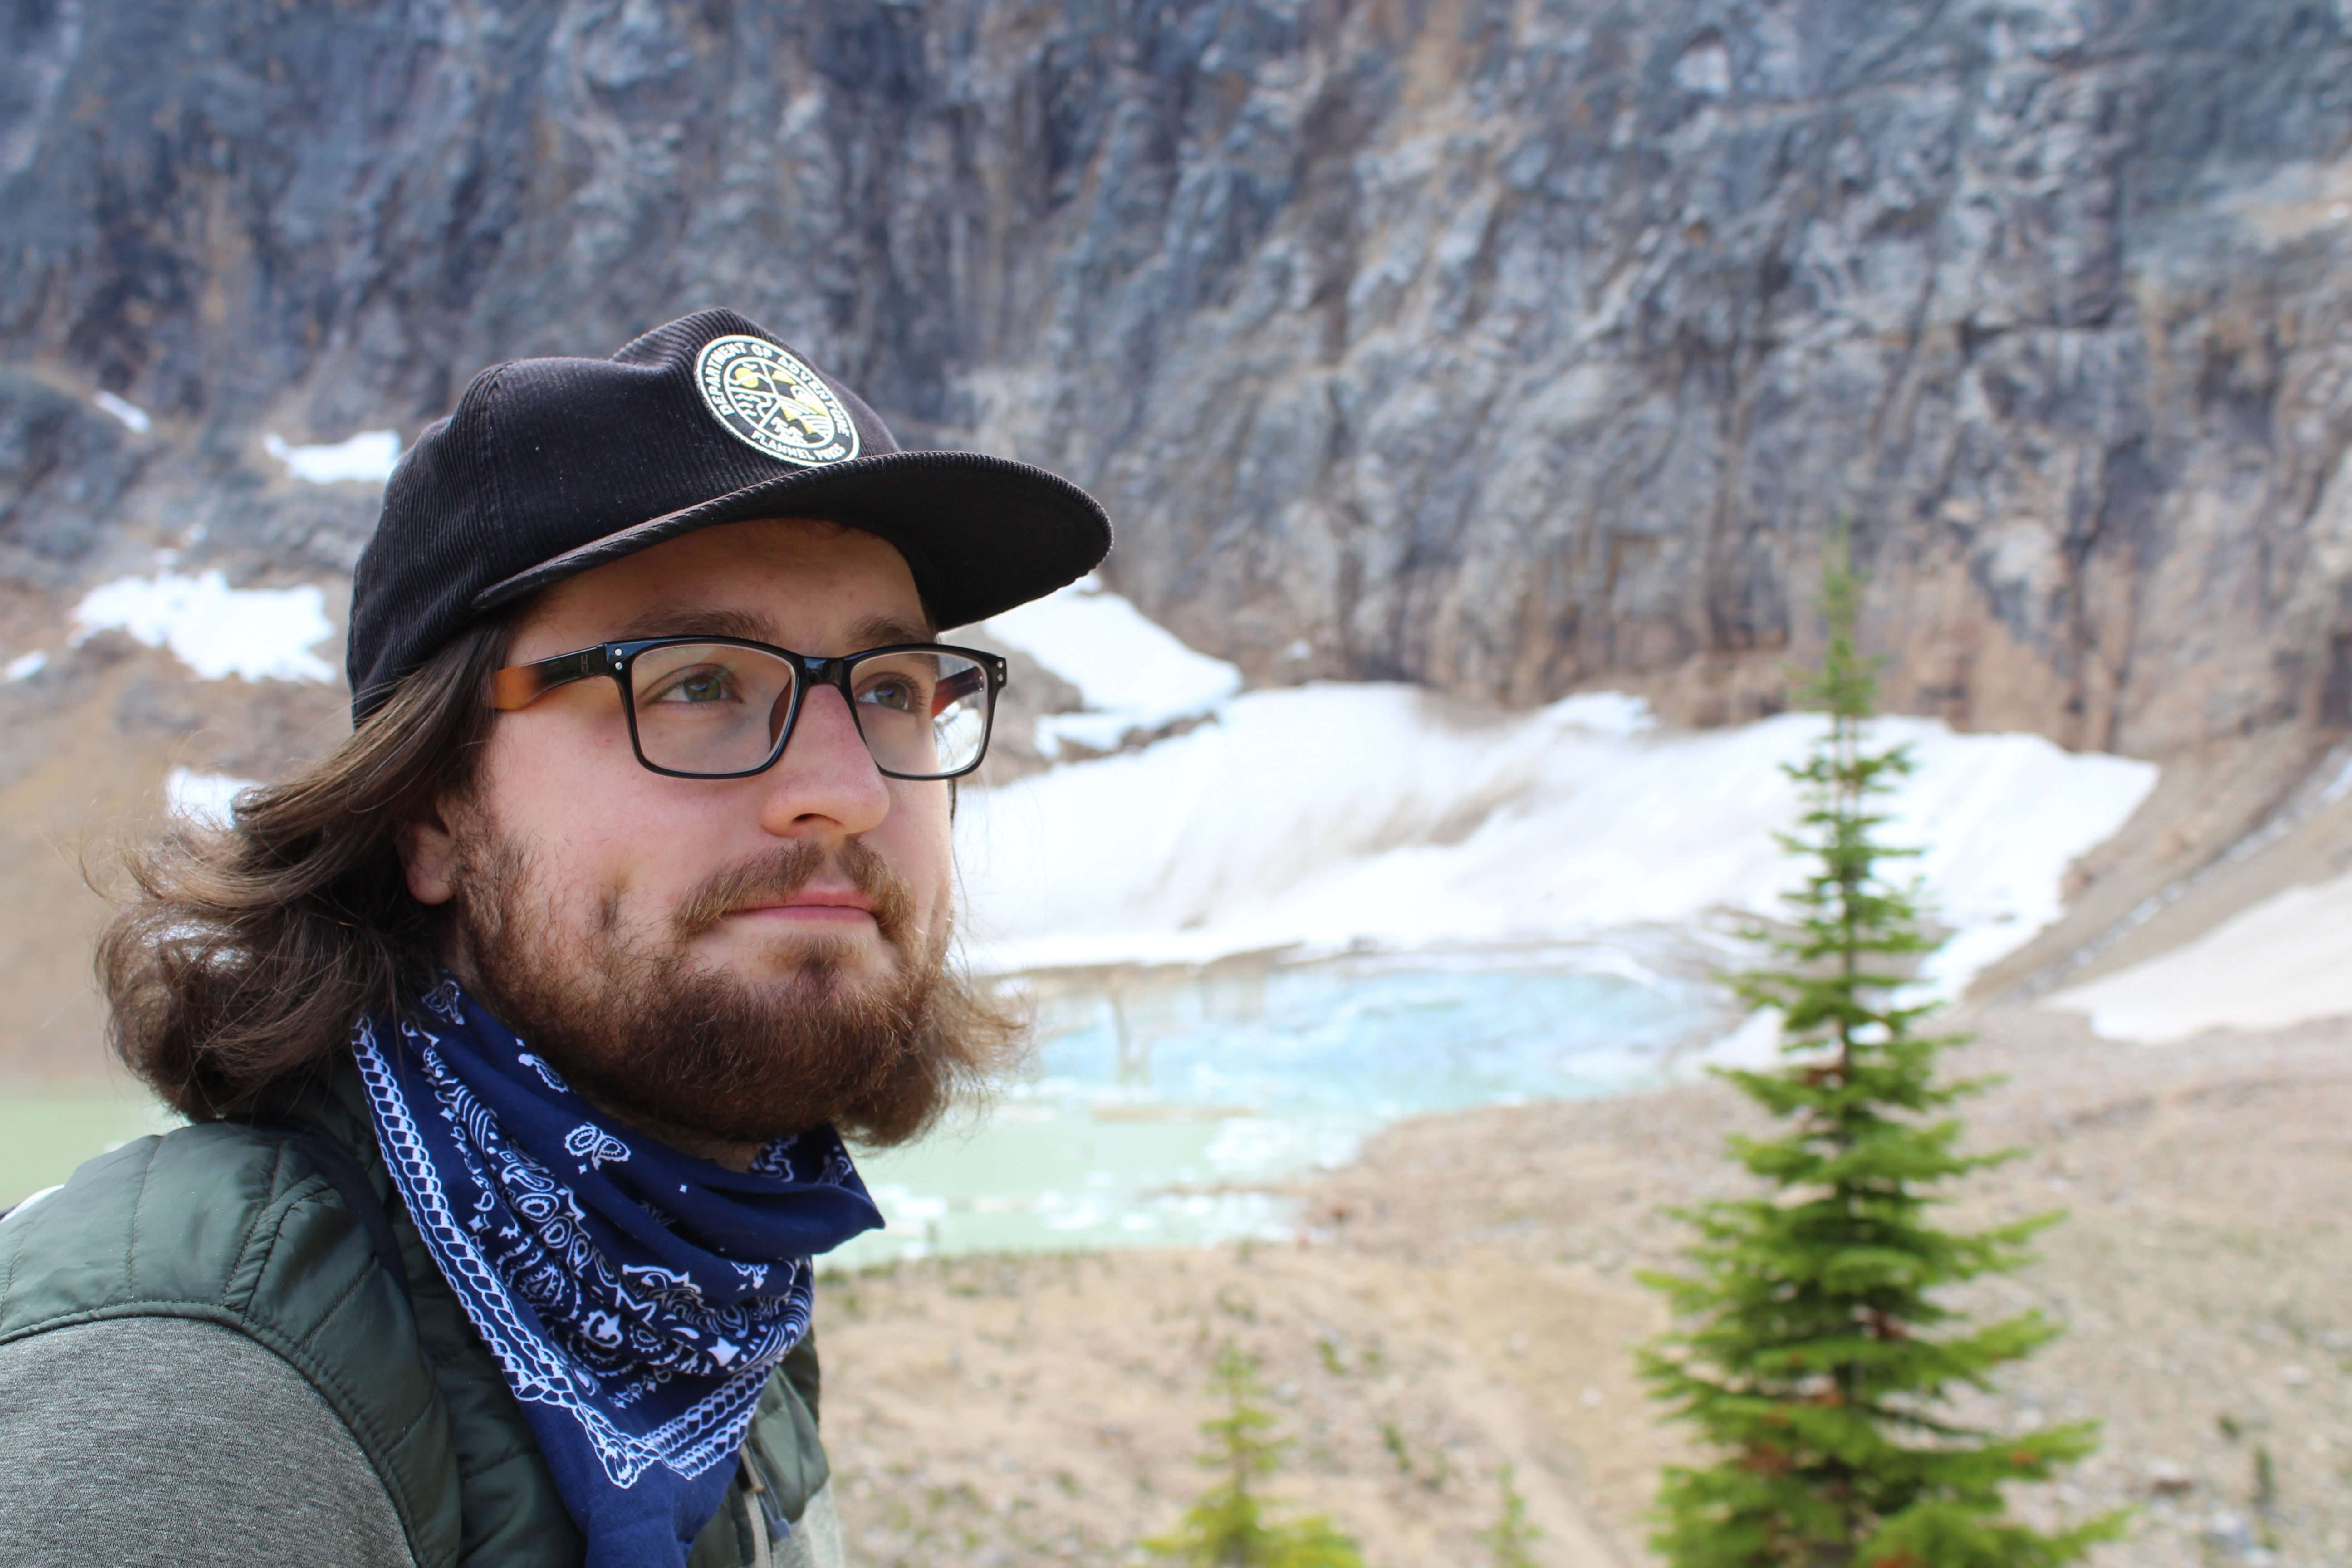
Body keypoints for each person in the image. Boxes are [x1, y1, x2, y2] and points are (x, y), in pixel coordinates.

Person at [0, 309, 1110, 1568]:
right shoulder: (190, 1405)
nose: (849, 789)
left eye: (894, 690)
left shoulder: (706, 1298)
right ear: (430, 807)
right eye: (697, 683)